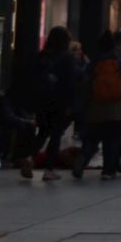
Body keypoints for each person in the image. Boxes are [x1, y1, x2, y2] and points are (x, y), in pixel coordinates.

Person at [76, 32, 121, 180]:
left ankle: (82, 161)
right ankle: (108, 171)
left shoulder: (93, 63)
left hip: (96, 107)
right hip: (117, 108)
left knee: (93, 138)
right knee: (112, 139)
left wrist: (86, 103)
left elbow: (85, 84)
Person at [16, 29, 76, 180]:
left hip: (42, 102)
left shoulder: (42, 55)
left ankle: (29, 157)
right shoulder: (68, 57)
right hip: (59, 102)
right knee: (56, 135)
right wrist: (70, 104)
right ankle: (49, 170)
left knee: (42, 132)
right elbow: (69, 82)